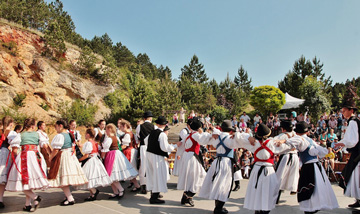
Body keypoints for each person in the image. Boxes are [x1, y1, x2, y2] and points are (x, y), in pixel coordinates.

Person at [234, 124, 293, 214]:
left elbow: (238, 137)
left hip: (257, 170)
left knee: (257, 191)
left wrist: (248, 136)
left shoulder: (253, 143)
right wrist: (285, 139)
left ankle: (258, 210)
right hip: (268, 170)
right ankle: (265, 210)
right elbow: (290, 145)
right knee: (268, 192)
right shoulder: (273, 142)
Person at [198, 120, 250, 214]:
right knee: (224, 185)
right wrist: (237, 134)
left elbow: (203, 139)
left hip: (217, 162)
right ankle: (219, 208)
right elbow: (243, 142)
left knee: (217, 184)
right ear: (231, 130)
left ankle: (218, 207)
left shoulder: (217, 137)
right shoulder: (230, 139)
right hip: (226, 163)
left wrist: (211, 135)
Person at [286, 121, 338, 214]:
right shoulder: (311, 140)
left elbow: (288, 142)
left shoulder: (300, 139)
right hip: (317, 166)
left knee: (309, 189)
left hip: (309, 167)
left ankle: (310, 209)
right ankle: (314, 207)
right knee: (317, 188)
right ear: (307, 132)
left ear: (297, 132)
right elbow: (322, 152)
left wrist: (283, 140)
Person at [6, 118, 48, 212]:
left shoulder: (20, 135)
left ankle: (35, 197)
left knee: (22, 181)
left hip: (24, 156)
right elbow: (44, 145)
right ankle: (27, 205)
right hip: (35, 156)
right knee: (27, 183)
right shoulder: (37, 134)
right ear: (33, 126)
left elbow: (15, 149)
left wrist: (15, 157)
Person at [48, 119, 88, 206]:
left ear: (60, 126)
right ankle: (68, 196)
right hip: (70, 156)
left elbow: (56, 149)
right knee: (65, 178)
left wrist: (50, 158)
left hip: (63, 156)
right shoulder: (69, 134)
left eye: (56, 126)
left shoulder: (60, 136)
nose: (55, 129)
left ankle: (70, 198)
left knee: (62, 178)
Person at [177, 118, 213, 207]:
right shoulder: (195, 135)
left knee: (191, 177)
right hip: (193, 157)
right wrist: (208, 133)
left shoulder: (188, 135)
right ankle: (189, 195)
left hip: (187, 156)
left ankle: (185, 196)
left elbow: (182, 144)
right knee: (199, 177)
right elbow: (203, 140)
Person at [334, 86, 360, 207]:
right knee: (354, 177)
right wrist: (342, 143)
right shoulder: (353, 121)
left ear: (351, 110)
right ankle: (358, 200)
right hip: (357, 153)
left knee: (356, 177)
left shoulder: (353, 121)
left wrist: (343, 143)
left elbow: (353, 140)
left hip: (358, 154)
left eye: (344, 111)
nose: (342, 113)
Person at [102, 123, 138, 199]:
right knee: (111, 175)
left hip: (112, 155)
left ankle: (120, 190)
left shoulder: (109, 139)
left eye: (106, 129)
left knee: (111, 174)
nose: (106, 131)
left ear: (109, 129)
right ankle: (115, 192)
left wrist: (102, 156)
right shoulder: (116, 137)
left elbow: (105, 149)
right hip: (116, 154)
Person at [77, 128, 112, 201]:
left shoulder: (89, 143)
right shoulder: (95, 143)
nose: (84, 135)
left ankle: (94, 191)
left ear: (88, 134)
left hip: (91, 160)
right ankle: (92, 194)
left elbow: (86, 155)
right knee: (89, 177)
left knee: (86, 177)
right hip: (95, 160)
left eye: (85, 134)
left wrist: (79, 160)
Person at [145, 117, 174, 204]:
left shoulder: (151, 133)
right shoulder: (162, 134)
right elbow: (164, 147)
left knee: (153, 175)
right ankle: (154, 197)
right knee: (158, 175)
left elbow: (146, 141)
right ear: (165, 125)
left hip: (149, 154)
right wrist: (173, 147)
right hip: (157, 156)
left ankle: (154, 193)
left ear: (157, 124)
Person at [274, 120, 299, 204]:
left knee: (280, 176)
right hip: (295, 157)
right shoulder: (296, 135)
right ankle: (293, 188)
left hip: (285, 156)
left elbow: (273, 142)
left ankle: (276, 198)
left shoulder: (282, 136)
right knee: (293, 175)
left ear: (283, 129)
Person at [135, 111, 156, 194]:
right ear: (150, 118)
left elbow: (138, 137)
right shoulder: (154, 126)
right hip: (151, 148)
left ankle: (143, 185)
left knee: (142, 166)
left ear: (144, 119)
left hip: (143, 147)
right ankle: (152, 186)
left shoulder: (139, 126)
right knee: (151, 166)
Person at [119, 120, 140, 192]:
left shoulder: (127, 135)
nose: (120, 129)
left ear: (124, 126)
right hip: (132, 151)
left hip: (129, 152)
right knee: (130, 169)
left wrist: (117, 149)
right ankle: (136, 185)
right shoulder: (131, 133)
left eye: (121, 127)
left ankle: (137, 185)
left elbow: (125, 145)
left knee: (129, 169)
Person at [0, 116, 14, 208]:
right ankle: (0, 199)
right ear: (11, 124)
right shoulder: (10, 133)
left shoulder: (1, 131)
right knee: (2, 177)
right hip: (4, 154)